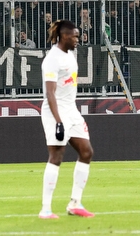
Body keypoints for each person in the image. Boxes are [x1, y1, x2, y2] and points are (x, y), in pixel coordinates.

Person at [40, 20, 94, 219]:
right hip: (56, 111)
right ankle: (45, 209)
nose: (77, 39)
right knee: (57, 156)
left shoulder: (70, 55)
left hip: (71, 109)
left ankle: (75, 203)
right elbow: (51, 94)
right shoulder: (52, 59)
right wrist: (59, 121)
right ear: (64, 36)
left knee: (86, 152)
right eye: (75, 36)